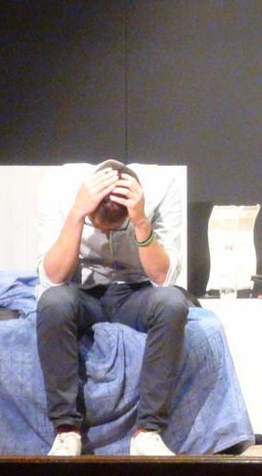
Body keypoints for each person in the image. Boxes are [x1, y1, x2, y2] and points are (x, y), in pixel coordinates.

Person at [34, 160, 187, 456]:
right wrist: (77, 215)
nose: (106, 236)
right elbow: (53, 278)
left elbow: (163, 278)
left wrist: (140, 221)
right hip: (80, 292)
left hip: (135, 293)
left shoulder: (163, 187)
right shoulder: (57, 186)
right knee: (52, 302)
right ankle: (66, 431)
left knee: (172, 301)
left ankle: (148, 432)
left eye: (116, 229)